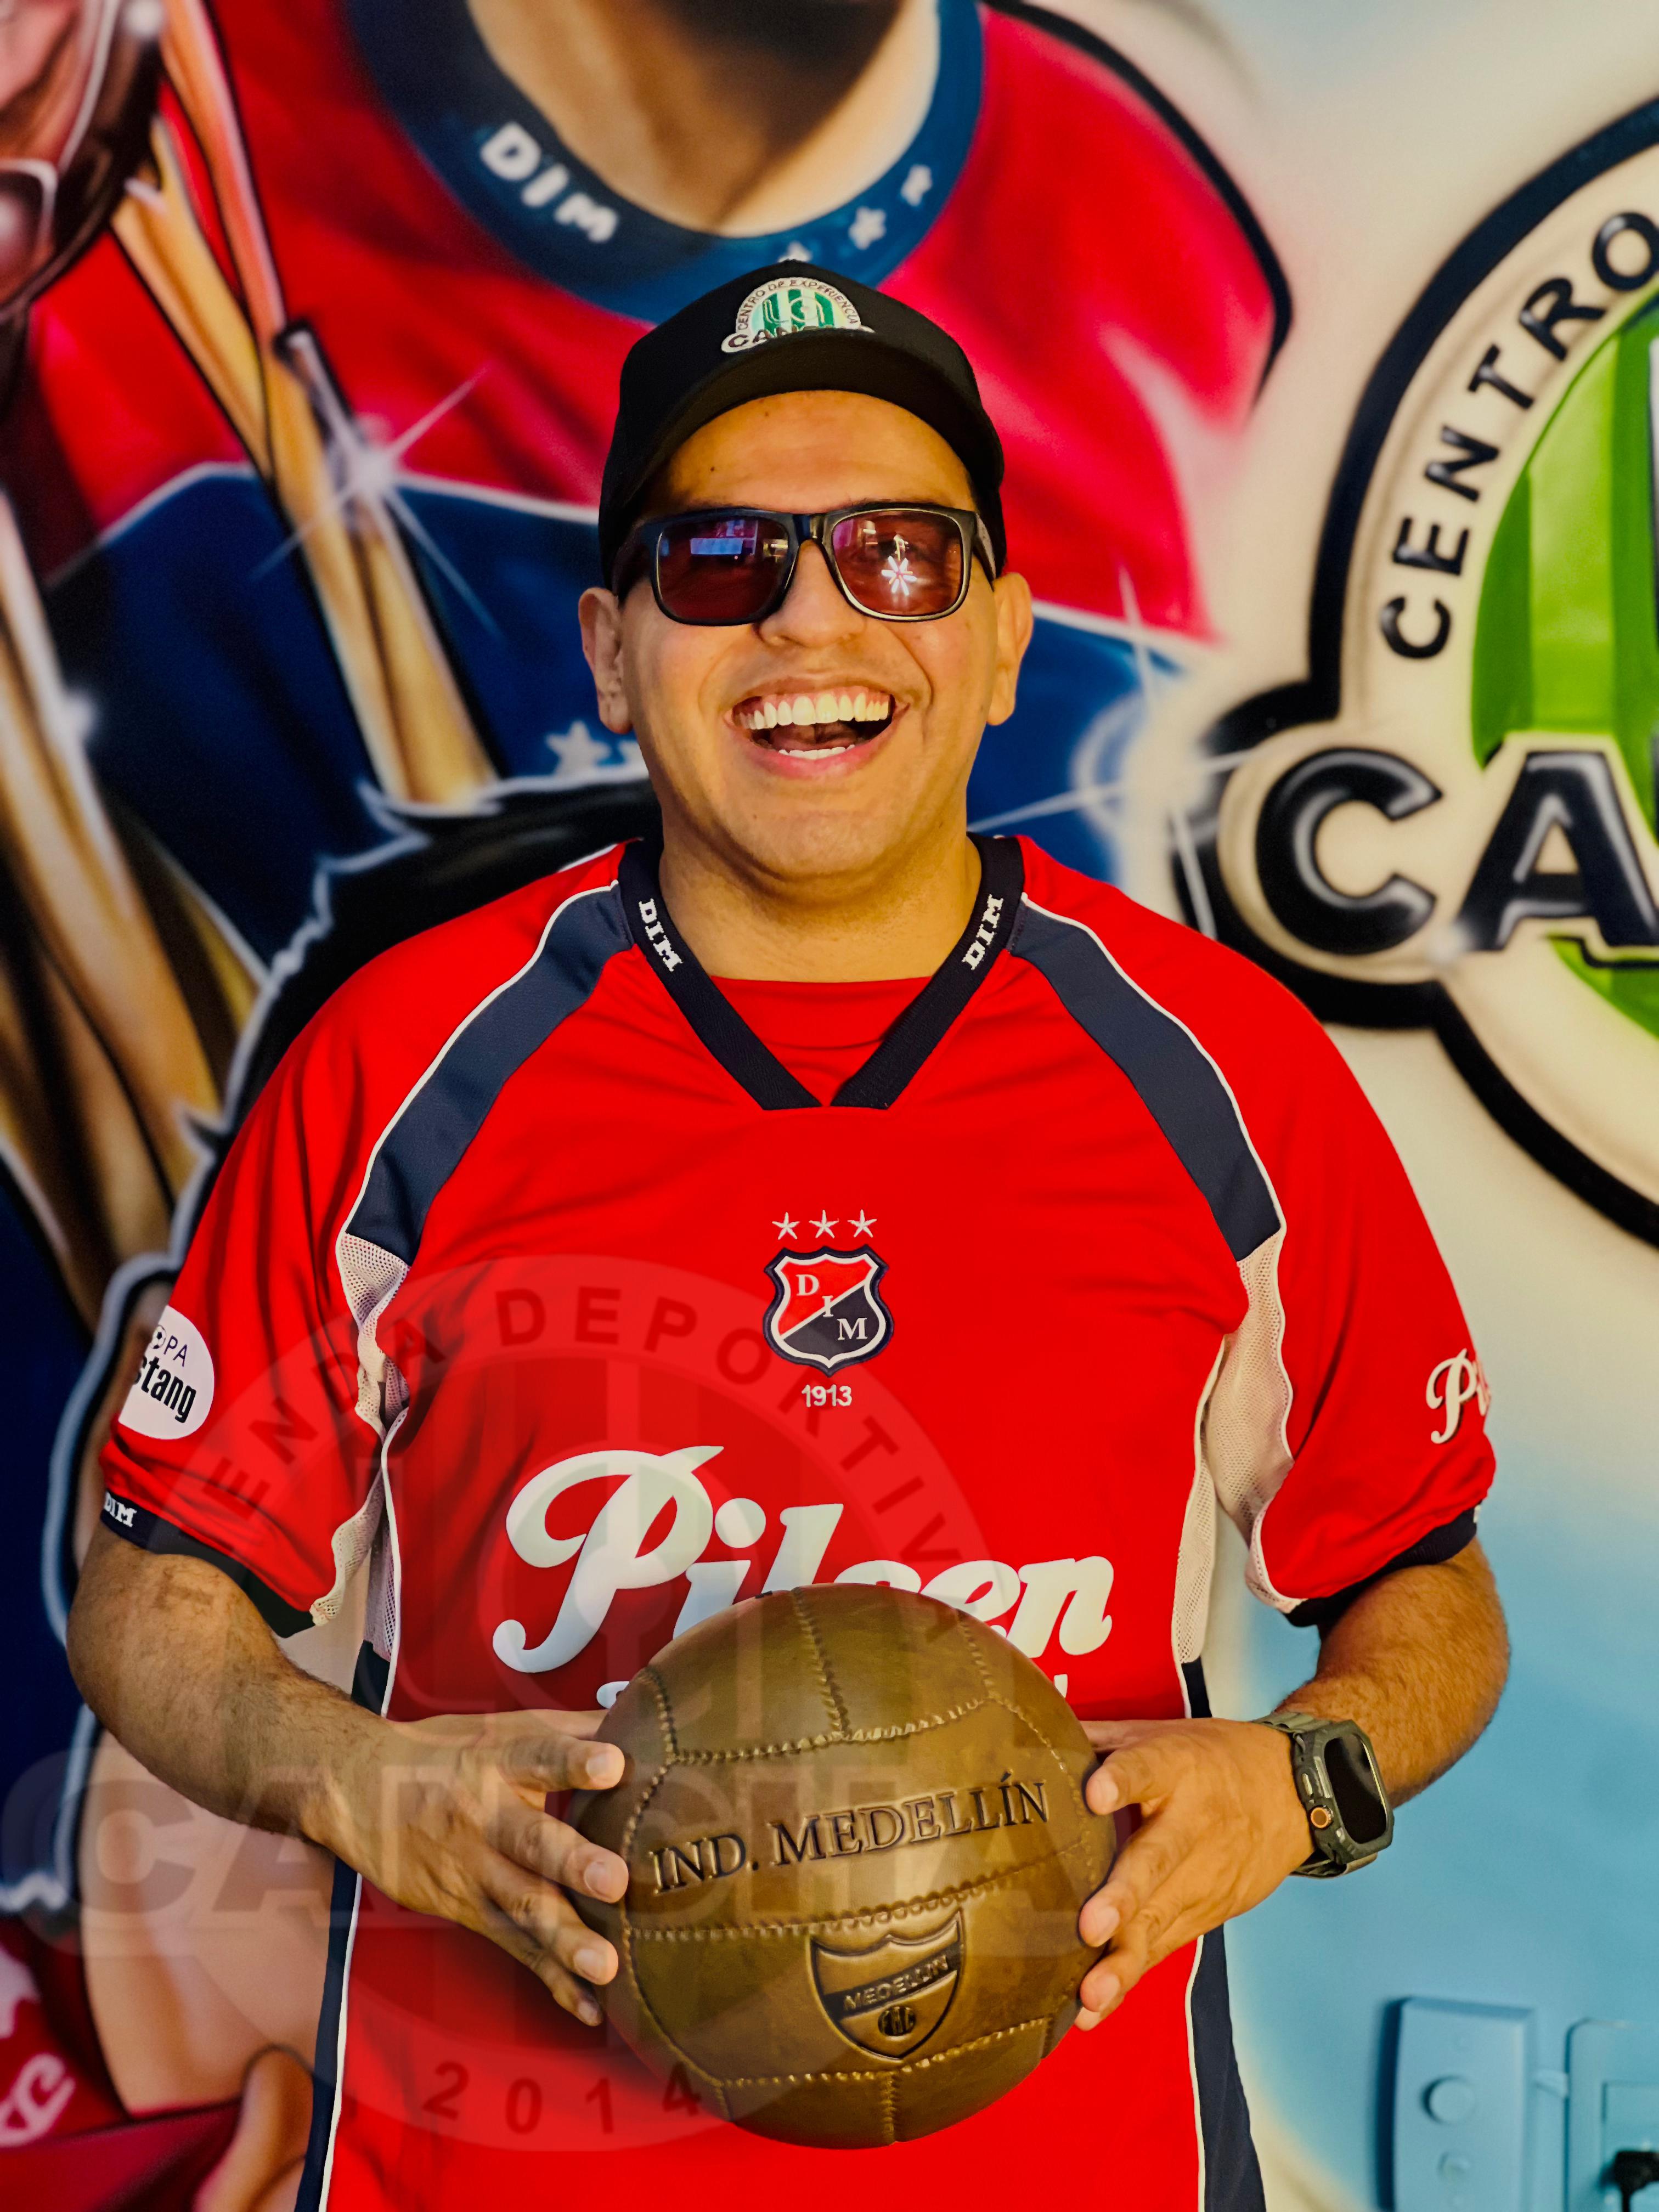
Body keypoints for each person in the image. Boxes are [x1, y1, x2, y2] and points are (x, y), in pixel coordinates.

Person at [69, 267, 1506, 2209]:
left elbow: (1428, 1590)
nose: (813, 620)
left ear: (1002, 636)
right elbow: (156, 1598)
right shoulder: (403, 1063)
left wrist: (1302, 1779)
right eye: (722, 558)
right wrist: (351, 1777)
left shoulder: (1226, 1074)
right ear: (612, 648)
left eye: (900, 555)